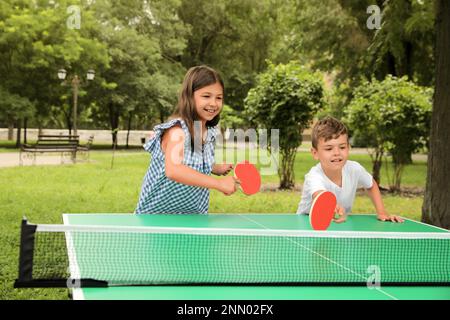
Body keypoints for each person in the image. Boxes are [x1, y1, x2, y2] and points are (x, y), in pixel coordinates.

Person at [135, 65, 237, 214]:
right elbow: (174, 169)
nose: (214, 103)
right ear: (189, 96)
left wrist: (215, 168)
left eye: (219, 98)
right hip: (156, 218)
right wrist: (219, 183)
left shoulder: (207, 132)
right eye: (206, 96)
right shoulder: (177, 132)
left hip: (193, 216)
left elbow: (194, 160)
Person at [297, 116, 404, 223]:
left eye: (342, 147)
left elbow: (371, 185)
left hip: (338, 223)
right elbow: (320, 195)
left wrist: (382, 212)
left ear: (348, 148)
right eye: (329, 148)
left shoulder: (354, 169)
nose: (337, 153)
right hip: (307, 223)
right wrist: (332, 206)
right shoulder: (314, 175)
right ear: (315, 153)